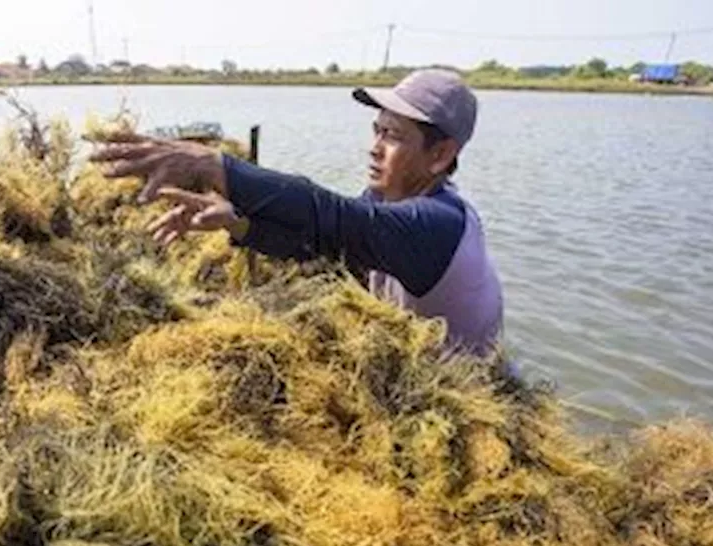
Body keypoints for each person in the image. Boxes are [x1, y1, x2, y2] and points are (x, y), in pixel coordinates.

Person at [92, 69, 505, 356]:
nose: (375, 147)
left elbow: (330, 215)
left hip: (466, 398)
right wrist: (238, 222)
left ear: (441, 155)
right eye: (377, 130)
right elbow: (320, 241)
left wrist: (212, 165)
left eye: (393, 136)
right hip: (416, 370)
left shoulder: (439, 224)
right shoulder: (382, 202)